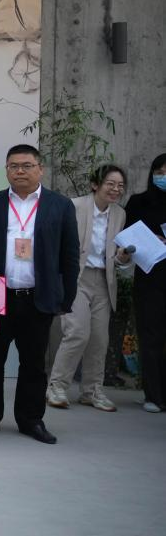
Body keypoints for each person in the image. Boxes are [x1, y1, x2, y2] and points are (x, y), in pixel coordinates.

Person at [0, 144, 80, 444]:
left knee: (33, 364)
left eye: (27, 165)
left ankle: (31, 419)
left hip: (38, 298)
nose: (20, 171)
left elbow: (70, 255)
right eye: (14, 166)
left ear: (40, 169)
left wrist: (66, 297)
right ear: (7, 170)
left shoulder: (60, 205)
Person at [47, 164, 132, 412]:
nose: (115, 189)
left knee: (99, 338)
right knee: (77, 332)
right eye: (110, 184)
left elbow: (114, 257)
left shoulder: (119, 214)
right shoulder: (74, 206)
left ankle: (92, 390)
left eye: (120, 186)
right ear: (96, 184)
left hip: (104, 280)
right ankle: (57, 386)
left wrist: (122, 258)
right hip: (76, 278)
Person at [125, 152, 166, 413]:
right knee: (151, 337)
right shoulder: (139, 202)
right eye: (160, 172)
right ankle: (153, 395)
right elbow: (127, 236)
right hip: (150, 278)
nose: (163, 177)